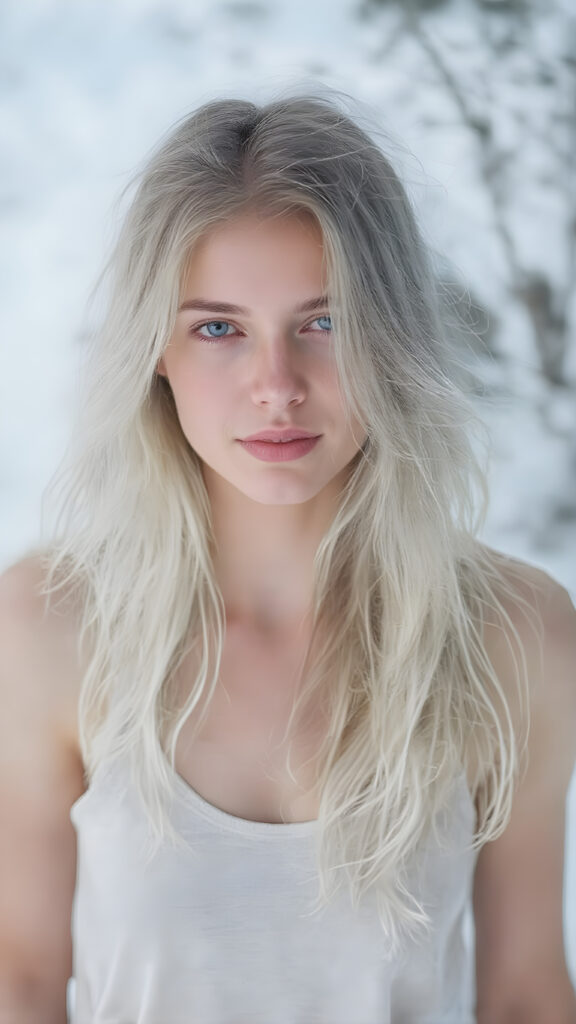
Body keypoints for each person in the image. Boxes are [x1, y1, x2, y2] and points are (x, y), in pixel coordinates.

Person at [0, 90, 575, 1024]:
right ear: (156, 347)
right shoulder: (48, 625)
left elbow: (525, 997)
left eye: (326, 321)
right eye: (218, 328)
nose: (277, 388)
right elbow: (20, 980)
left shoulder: (516, 637)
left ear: (391, 338)